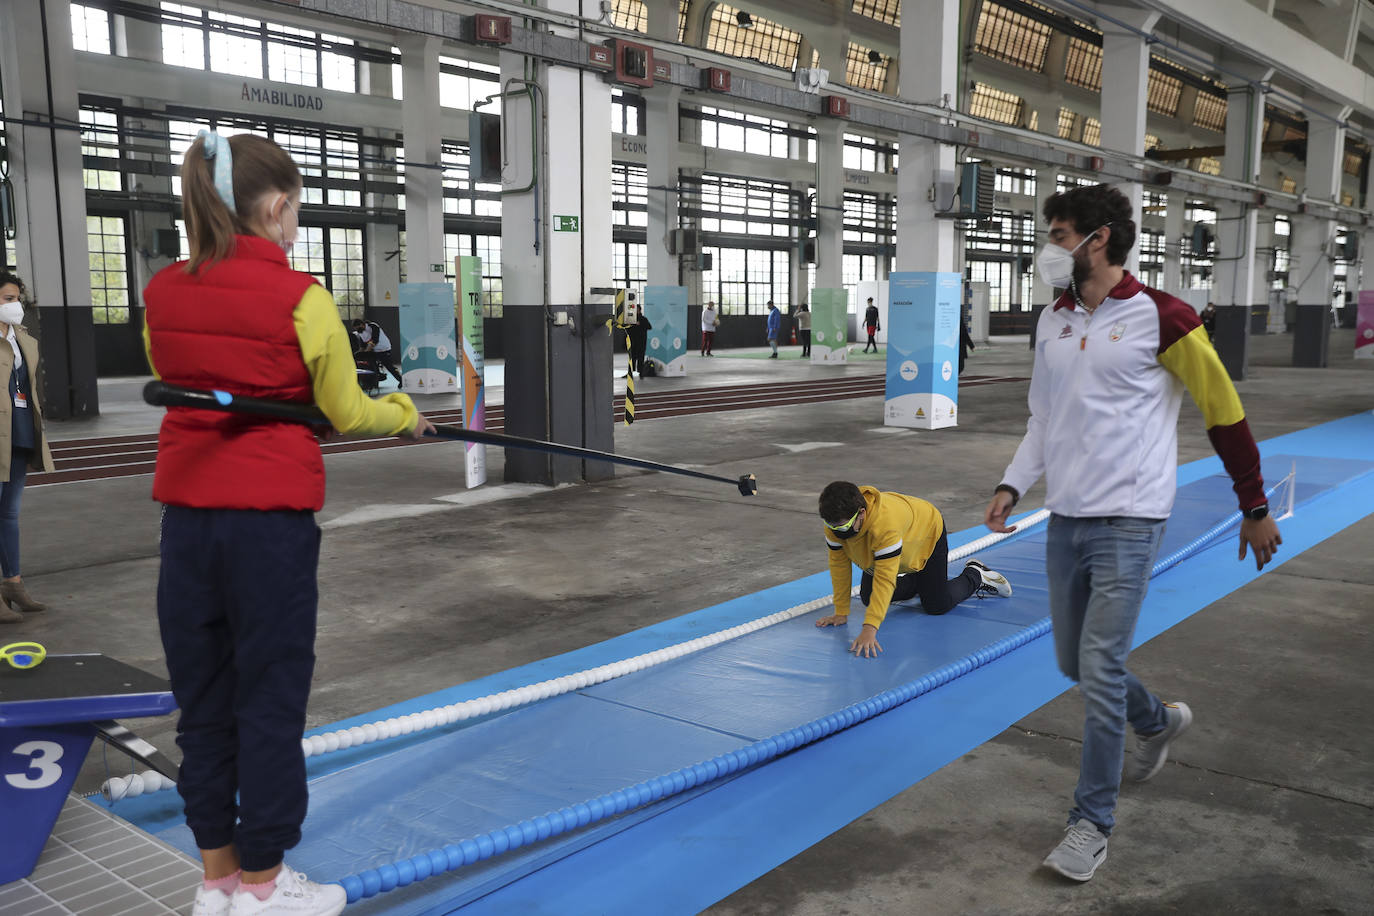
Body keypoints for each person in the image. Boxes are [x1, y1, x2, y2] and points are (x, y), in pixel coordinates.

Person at [143, 130, 435, 916]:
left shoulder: (161, 292)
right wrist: (403, 414)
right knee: (268, 699)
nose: (294, 226)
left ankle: (219, 882)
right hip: (266, 526)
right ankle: (268, 889)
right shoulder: (301, 296)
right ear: (273, 205)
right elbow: (346, 410)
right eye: (295, 210)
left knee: (202, 704)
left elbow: (181, 372)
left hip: (187, 525)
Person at [984, 183, 1281, 883]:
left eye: (1059, 235)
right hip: (1067, 518)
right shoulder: (1053, 322)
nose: (1049, 249)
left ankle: (1090, 823)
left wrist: (1255, 505)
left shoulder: (1164, 318)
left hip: (1132, 519)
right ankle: (1156, 721)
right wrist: (1011, 483)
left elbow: (1223, 412)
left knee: (1100, 665)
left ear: (1101, 239)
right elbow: (1043, 418)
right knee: (1075, 665)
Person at [815, 481, 1012, 659]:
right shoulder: (835, 523)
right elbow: (839, 566)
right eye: (830, 525)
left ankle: (975, 574)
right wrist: (841, 611)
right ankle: (924, 582)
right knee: (869, 596)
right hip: (894, 548)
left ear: (862, 513)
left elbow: (885, 578)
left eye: (844, 526)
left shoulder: (884, 527)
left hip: (926, 532)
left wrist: (869, 628)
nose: (837, 532)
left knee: (936, 605)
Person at [0, 272, 55, 624]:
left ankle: (13, 584)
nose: (14, 305)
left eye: (16, 298)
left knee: (9, 515)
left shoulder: (23, 339)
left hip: (20, 433)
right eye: (7, 299)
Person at [351, 317, 403, 388]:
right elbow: (362, 346)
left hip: (383, 349)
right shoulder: (360, 332)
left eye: (357, 328)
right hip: (374, 350)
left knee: (389, 366)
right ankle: (375, 379)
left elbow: (374, 341)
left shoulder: (373, 326)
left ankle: (401, 380)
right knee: (368, 362)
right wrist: (358, 354)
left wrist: (366, 352)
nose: (357, 330)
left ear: (361, 324)